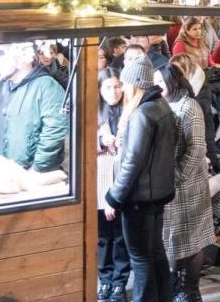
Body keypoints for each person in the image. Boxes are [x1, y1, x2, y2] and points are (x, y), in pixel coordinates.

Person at [105, 56, 177, 302]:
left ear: (135, 83)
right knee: (155, 252)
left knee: (140, 257)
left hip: (139, 198)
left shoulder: (141, 115)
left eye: (125, 83)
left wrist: (114, 197)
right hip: (158, 194)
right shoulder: (162, 107)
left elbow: (133, 161)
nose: (122, 88)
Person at [154, 64, 215, 302]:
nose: (157, 86)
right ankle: (176, 284)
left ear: (173, 81)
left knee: (192, 240)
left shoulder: (189, 106)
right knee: (175, 240)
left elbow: (197, 148)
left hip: (189, 186)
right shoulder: (162, 105)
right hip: (171, 185)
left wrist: (177, 176)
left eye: (161, 82)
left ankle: (190, 288)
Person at [0, 43, 68, 173]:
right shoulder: (6, 87)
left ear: (25, 57)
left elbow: (55, 130)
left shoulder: (46, 85)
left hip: (32, 175)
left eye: (6, 54)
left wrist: (37, 169)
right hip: (11, 172)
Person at [96, 68, 129, 302]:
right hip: (100, 182)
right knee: (102, 237)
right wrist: (101, 141)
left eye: (117, 86)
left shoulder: (130, 111)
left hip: (123, 182)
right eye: (107, 86)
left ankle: (119, 282)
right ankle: (104, 281)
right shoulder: (93, 114)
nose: (113, 91)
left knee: (120, 235)